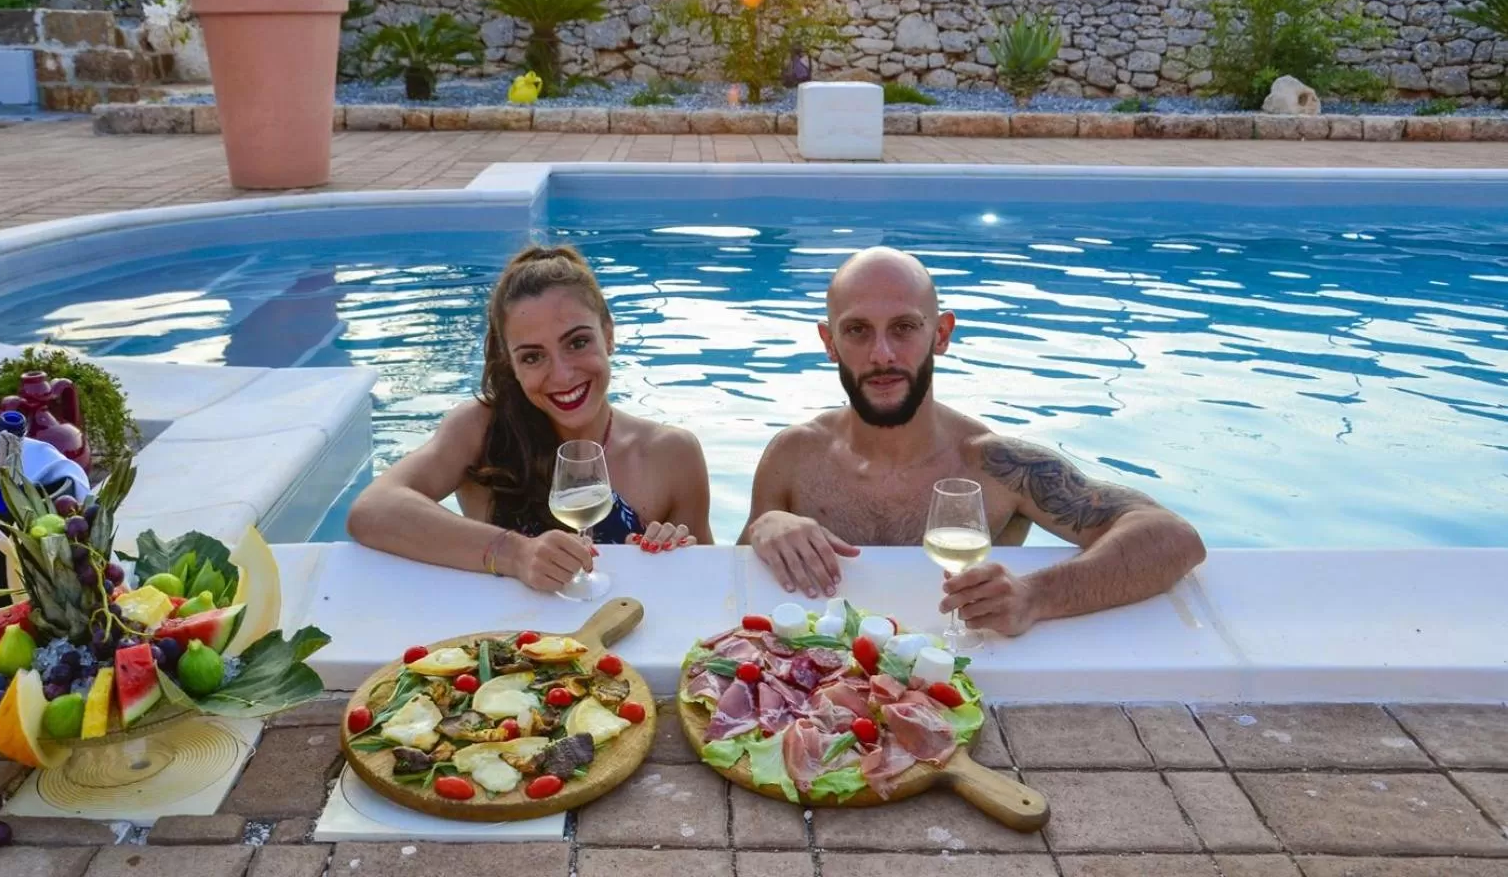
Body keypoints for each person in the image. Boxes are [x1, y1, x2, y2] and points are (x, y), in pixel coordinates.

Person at [741, 246, 1206, 636]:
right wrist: (766, 527)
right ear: (829, 342)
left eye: (904, 328)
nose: (882, 355)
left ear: (940, 334)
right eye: (857, 330)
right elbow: (731, 579)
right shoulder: (794, 457)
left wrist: (1034, 595)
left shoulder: (996, 465)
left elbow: (1172, 538)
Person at [348, 245, 713, 592]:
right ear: (511, 365)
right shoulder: (482, 432)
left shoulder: (671, 454)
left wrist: (670, 554)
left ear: (609, 334)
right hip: (504, 647)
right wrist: (515, 554)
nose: (563, 375)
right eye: (533, 357)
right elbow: (372, 509)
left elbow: (705, 586)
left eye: (577, 342)